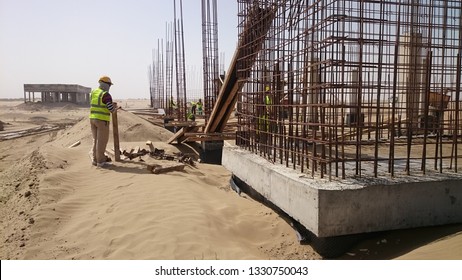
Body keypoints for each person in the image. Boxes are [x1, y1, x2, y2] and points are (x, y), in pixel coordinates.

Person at [89, 76, 117, 168]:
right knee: (101, 141)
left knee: (95, 140)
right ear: (106, 85)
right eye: (109, 85)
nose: (110, 87)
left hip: (92, 119)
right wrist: (114, 109)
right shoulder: (105, 94)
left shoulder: (93, 92)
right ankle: (100, 162)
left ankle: (94, 159)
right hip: (102, 121)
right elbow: (110, 108)